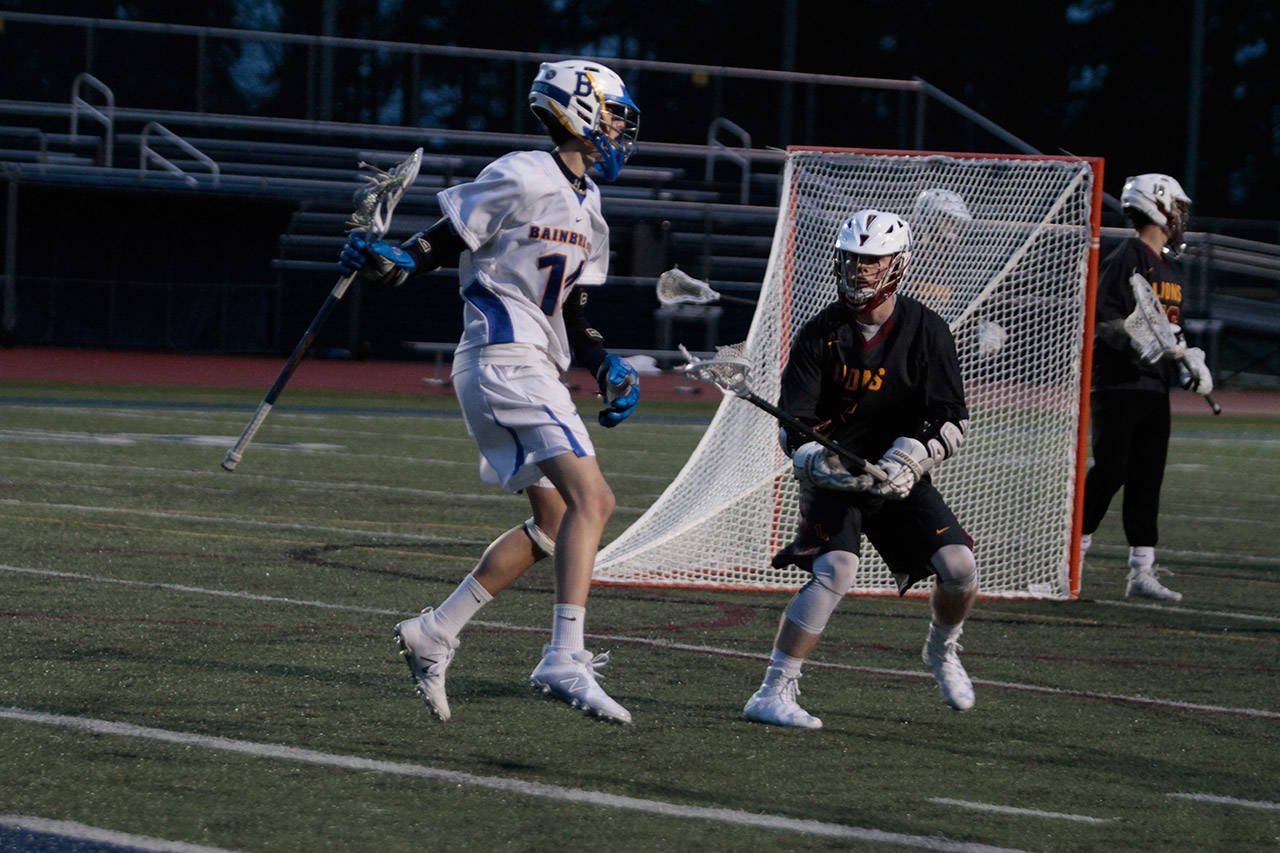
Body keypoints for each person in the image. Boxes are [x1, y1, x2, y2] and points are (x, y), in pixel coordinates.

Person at [336, 59, 642, 724]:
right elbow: (444, 240)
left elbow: (576, 314)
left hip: (528, 364)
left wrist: (605, 362)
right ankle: (565, 655)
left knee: (558, 520)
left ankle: (436, 630)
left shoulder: (592, 205)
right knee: (597, 499)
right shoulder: (524, 172)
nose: (621, 128)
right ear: (580, 108)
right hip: (506, 360)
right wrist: (398, 262)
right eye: (615, 114)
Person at [742, 209, 979, 729]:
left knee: (960, 567)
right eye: (853, 259)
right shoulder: (819, 333)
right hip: (836, 475)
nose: (861, 271)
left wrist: (910, 459)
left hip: (897, 474)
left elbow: (951, 419)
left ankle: (941, 651)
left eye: (873, 261)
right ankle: (773, 690)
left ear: (897, 264)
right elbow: (794, 424)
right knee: (836, 569)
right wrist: (816, 462)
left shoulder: (926, 330)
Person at [1080, 173, 1212, 602]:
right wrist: (1135, 335)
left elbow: (1173, 329)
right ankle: (1072, 558)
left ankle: (1141, 572)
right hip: (1118, 384)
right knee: (1112, 469)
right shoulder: (1127, 258)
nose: (1180, 215)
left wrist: (1192, 360)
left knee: (1147, 477)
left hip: (1153, 386)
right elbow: (1102, 321)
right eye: (1176, 205)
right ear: (1157, 205)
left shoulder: (1166, 266)